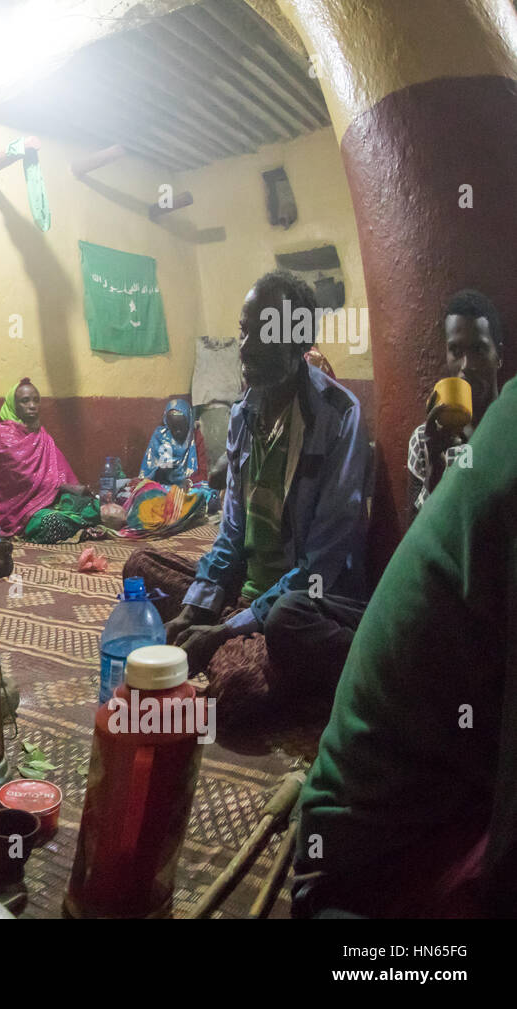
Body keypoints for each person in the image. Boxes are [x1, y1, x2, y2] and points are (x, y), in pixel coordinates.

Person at [294, 369, 517, 918]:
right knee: (289, 615)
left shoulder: (489, 419)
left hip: (440, 760)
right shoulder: (429, 437)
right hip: (367, 873)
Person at [122, 272, 372, 743]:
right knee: (140, 565)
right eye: (244, 330)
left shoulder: (338, 416)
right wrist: (197, 610)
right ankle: (249, 646)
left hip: (306, 602)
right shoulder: (244, 414)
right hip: (247, 592)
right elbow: (232, 534)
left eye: (262, 333)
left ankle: (268, 652)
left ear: (298, 340)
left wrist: (224, 630)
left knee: (241, 686)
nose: (245, 347)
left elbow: (322, 564)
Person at [407, 289, 503, 517]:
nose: (466, 364)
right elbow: (416, 540)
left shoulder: (510, 430)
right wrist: (436, 473)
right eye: (456, 351)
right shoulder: (425, 440)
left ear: (498, 355)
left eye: (479, 349)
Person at [0, 378, 88, 539]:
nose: (32, 406)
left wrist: (74, 490)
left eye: (36, 400)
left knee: (92, 505)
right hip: (22, 512)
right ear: (13, 405)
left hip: (51, 500)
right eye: (25, 401)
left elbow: (59, 468)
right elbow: (24, 479)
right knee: (50, 521)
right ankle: (70, 524)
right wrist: (62, 487)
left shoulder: (40, 434)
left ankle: (74, 522)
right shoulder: (4, 436)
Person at [120, 397, 213, 538]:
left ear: (189, 422)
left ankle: (173, 511)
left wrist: (187, 482)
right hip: (162, 486)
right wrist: (161, 472)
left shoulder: (196, 437)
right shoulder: (160, 437)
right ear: (166, 423)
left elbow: (203, 472)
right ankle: (179, 512)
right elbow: (147, 472)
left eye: (181, 427)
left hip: (188, 486)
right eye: (173, 427)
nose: (177, 432)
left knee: (208, 493)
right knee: (134, 493)